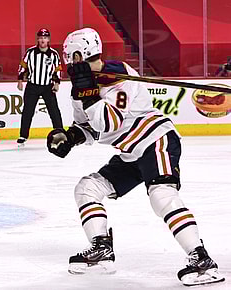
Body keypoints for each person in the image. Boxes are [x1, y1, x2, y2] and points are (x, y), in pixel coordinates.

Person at [47, 28, 224, 286]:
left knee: (161, 196)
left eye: (69, 56)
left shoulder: (120, 75)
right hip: (130, 151)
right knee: (87, 188)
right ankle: (101, 248)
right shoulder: (81, 88)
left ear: (78, 55)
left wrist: (89, 91)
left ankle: (201, 260)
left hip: (155, 140)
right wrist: (69, 138)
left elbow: (108, 121)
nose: (66, 63)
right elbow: (89, 128)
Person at [16, 28, 63, 146]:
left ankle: (60, 134)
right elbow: (23, 66)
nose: (43, 40)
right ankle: (23, 135)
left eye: (45, 38)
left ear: (48, 39)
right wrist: (20, 80)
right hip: (32, 86)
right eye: (41, 38)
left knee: (54, 111)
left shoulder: (53, 54)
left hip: (48, 86)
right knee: (28, 111)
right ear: (37, 39)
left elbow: (57, 70)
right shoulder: (30, 52)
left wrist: (57, 83)